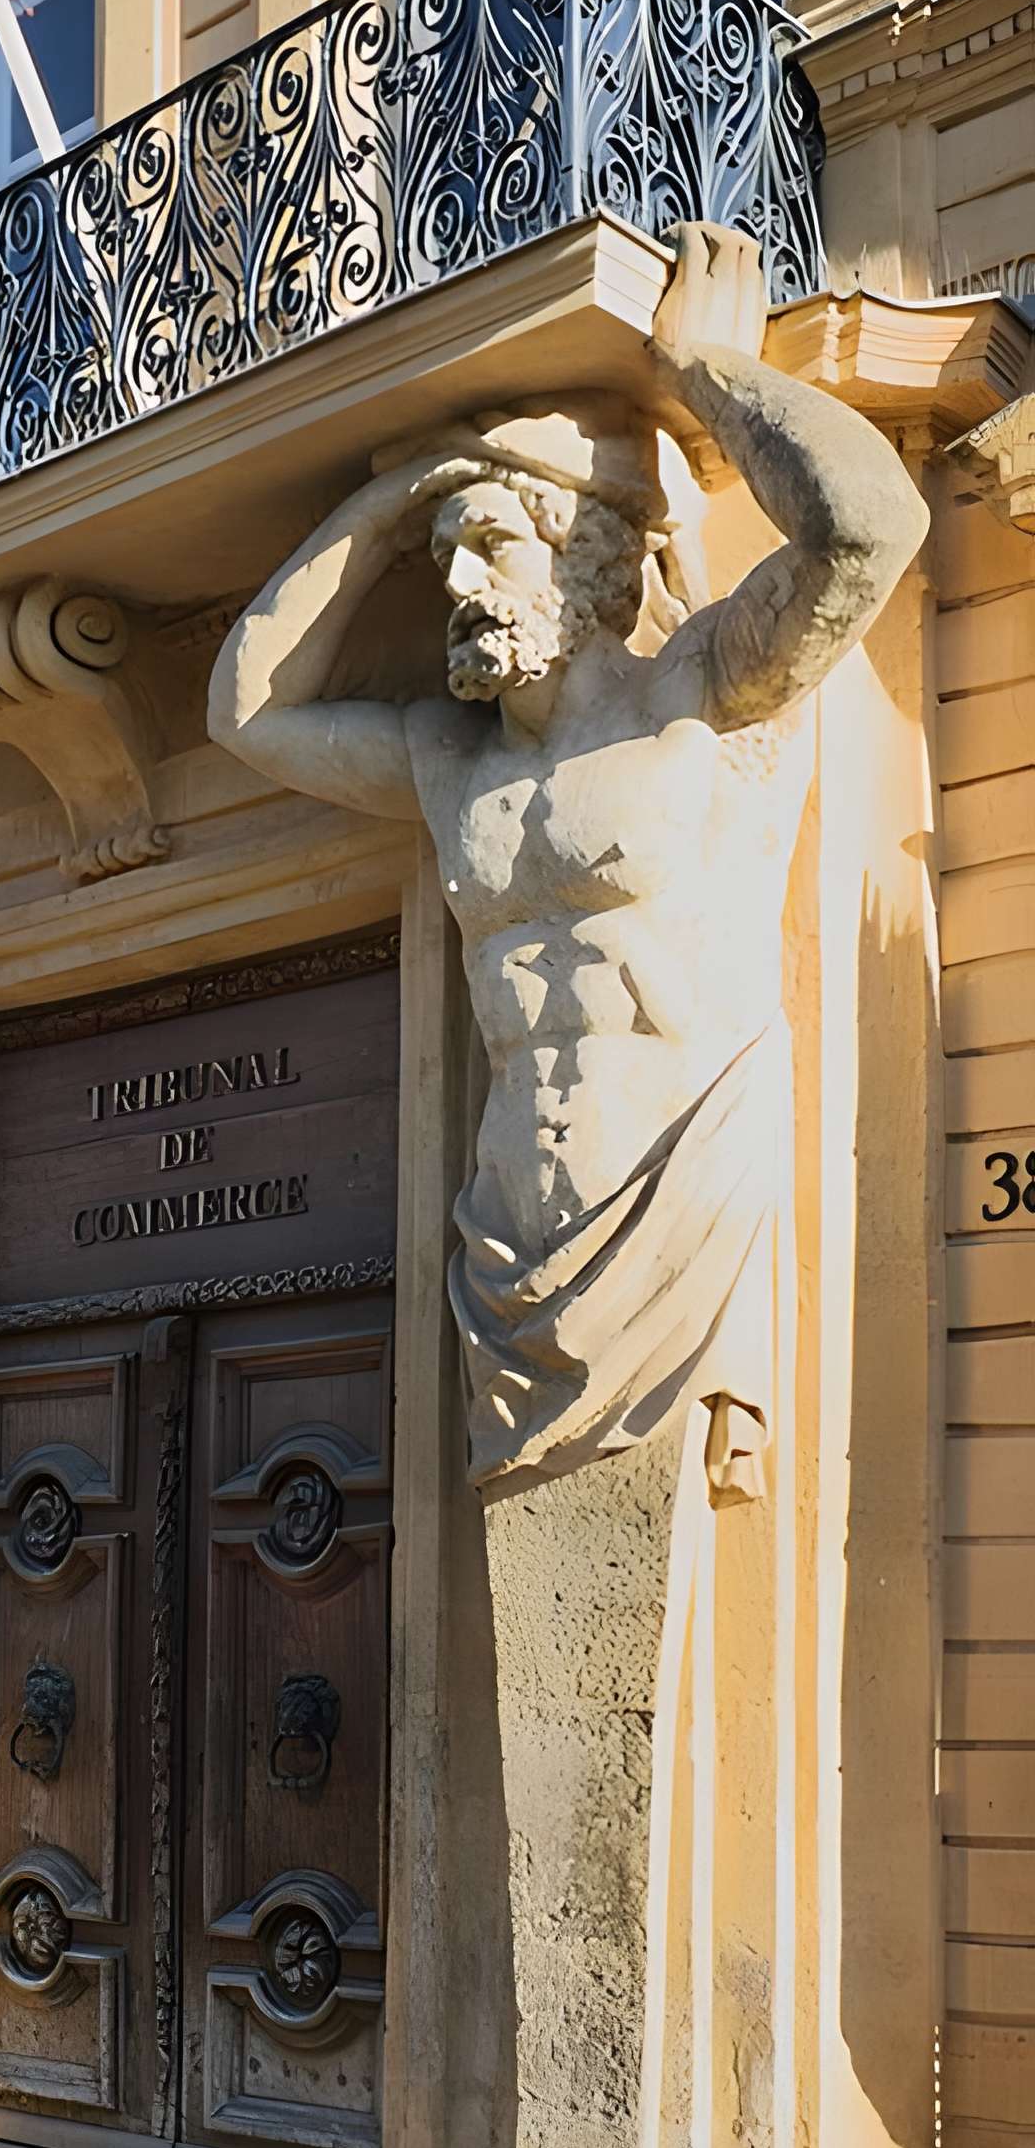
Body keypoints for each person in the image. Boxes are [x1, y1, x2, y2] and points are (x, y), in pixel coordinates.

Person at [208, 225, 926, 1502]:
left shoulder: (699, 689)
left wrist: (700, 367)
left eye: (492, 544)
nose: (459, 584)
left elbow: (868, 529)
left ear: (590, 553)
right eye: (445, 563)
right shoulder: (445, 757)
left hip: (668, 1190)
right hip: (508, 1214)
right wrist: (389, 509)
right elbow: (245, 715)